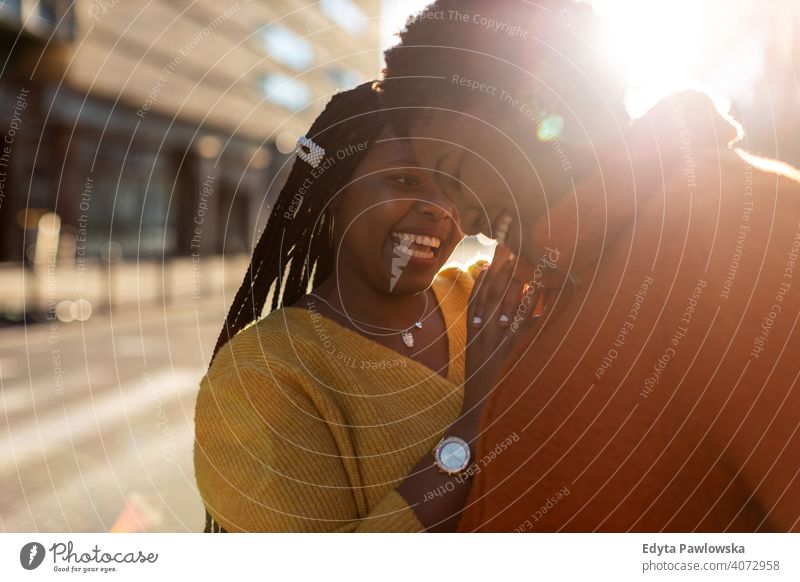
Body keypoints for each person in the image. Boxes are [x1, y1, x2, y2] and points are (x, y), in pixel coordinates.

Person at [378, 0, 800, 531]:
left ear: (541, 91)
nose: (464, 220)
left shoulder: (750, 233)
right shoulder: (526, 289)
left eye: (458, 175)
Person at [193, 81, 533, 532]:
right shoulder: (260, 375)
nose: (438, 208)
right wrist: (474, 422)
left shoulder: (490, 300)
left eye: (453, 184)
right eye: (405, 179)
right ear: (333, 193)